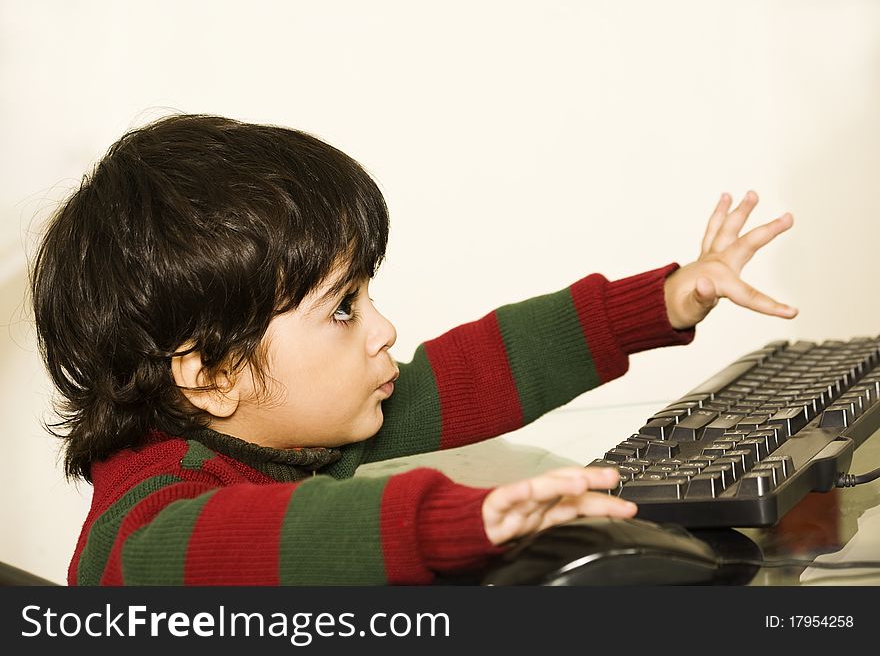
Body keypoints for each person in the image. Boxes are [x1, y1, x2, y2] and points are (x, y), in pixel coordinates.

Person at [30, 114, 797, 585]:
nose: (384, 331)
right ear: (212, 373)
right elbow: (272, 535)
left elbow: (473, 370)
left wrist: (659, 303)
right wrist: (452, 523)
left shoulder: (285, 430)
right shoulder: (147, 530)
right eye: (343, 309)